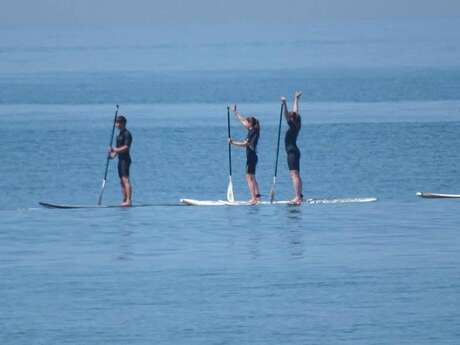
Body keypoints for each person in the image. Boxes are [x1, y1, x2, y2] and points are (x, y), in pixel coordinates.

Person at [228, 105, 261, 205]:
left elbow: (245, 144)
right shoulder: (254, 129)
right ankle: (258, 197)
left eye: (247, 122)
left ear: (250, 123)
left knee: (249, 177)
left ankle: (253, 198)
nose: (244, 123)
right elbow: (242, 120)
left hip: (251, 157)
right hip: (253, 156)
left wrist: (232, 142)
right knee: (253, 177)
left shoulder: (251, 133)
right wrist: (235, 112)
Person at [281, 91, 303, 205]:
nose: (289, 116)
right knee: (296, 174)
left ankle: (297, 197)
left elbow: (286, 115)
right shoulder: (297, 123)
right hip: (294, 151)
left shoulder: (293, 126)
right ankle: (299, 196)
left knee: (294, 174)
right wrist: (296, 99)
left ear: (292, 119)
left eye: (290, 117)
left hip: (292, 152)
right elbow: (295, 112)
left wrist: (284, 104)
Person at [109, 115, 133, 207]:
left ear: (124, 123)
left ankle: (129, 200)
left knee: (125, 179)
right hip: (120, 160)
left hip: (125, 160)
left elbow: (126, 147)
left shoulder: (127, 134)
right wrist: (112, 156)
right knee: (121, 181)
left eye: (119, 122)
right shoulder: (118, 135)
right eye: (116, 122)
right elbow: (117, 149)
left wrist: (114, 150)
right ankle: (124, 199)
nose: (117, 124)